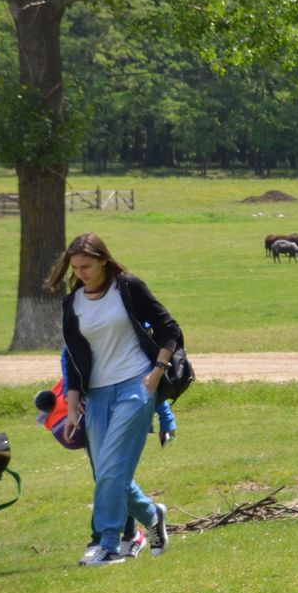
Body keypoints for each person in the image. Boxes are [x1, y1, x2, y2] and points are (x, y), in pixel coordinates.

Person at [52, 232, 178, 566]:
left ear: (104, 260)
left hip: (135, 387)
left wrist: (156, 372)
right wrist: (72, 406)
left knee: (111, 468)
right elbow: (76, 360)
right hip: (96, 395)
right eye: (75, 267)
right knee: (107, 471)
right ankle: (152, 517)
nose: (81, 273)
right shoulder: (73, 303)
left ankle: (107, 545)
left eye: (87, 266)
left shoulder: (128, 287)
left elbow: (170, 329)